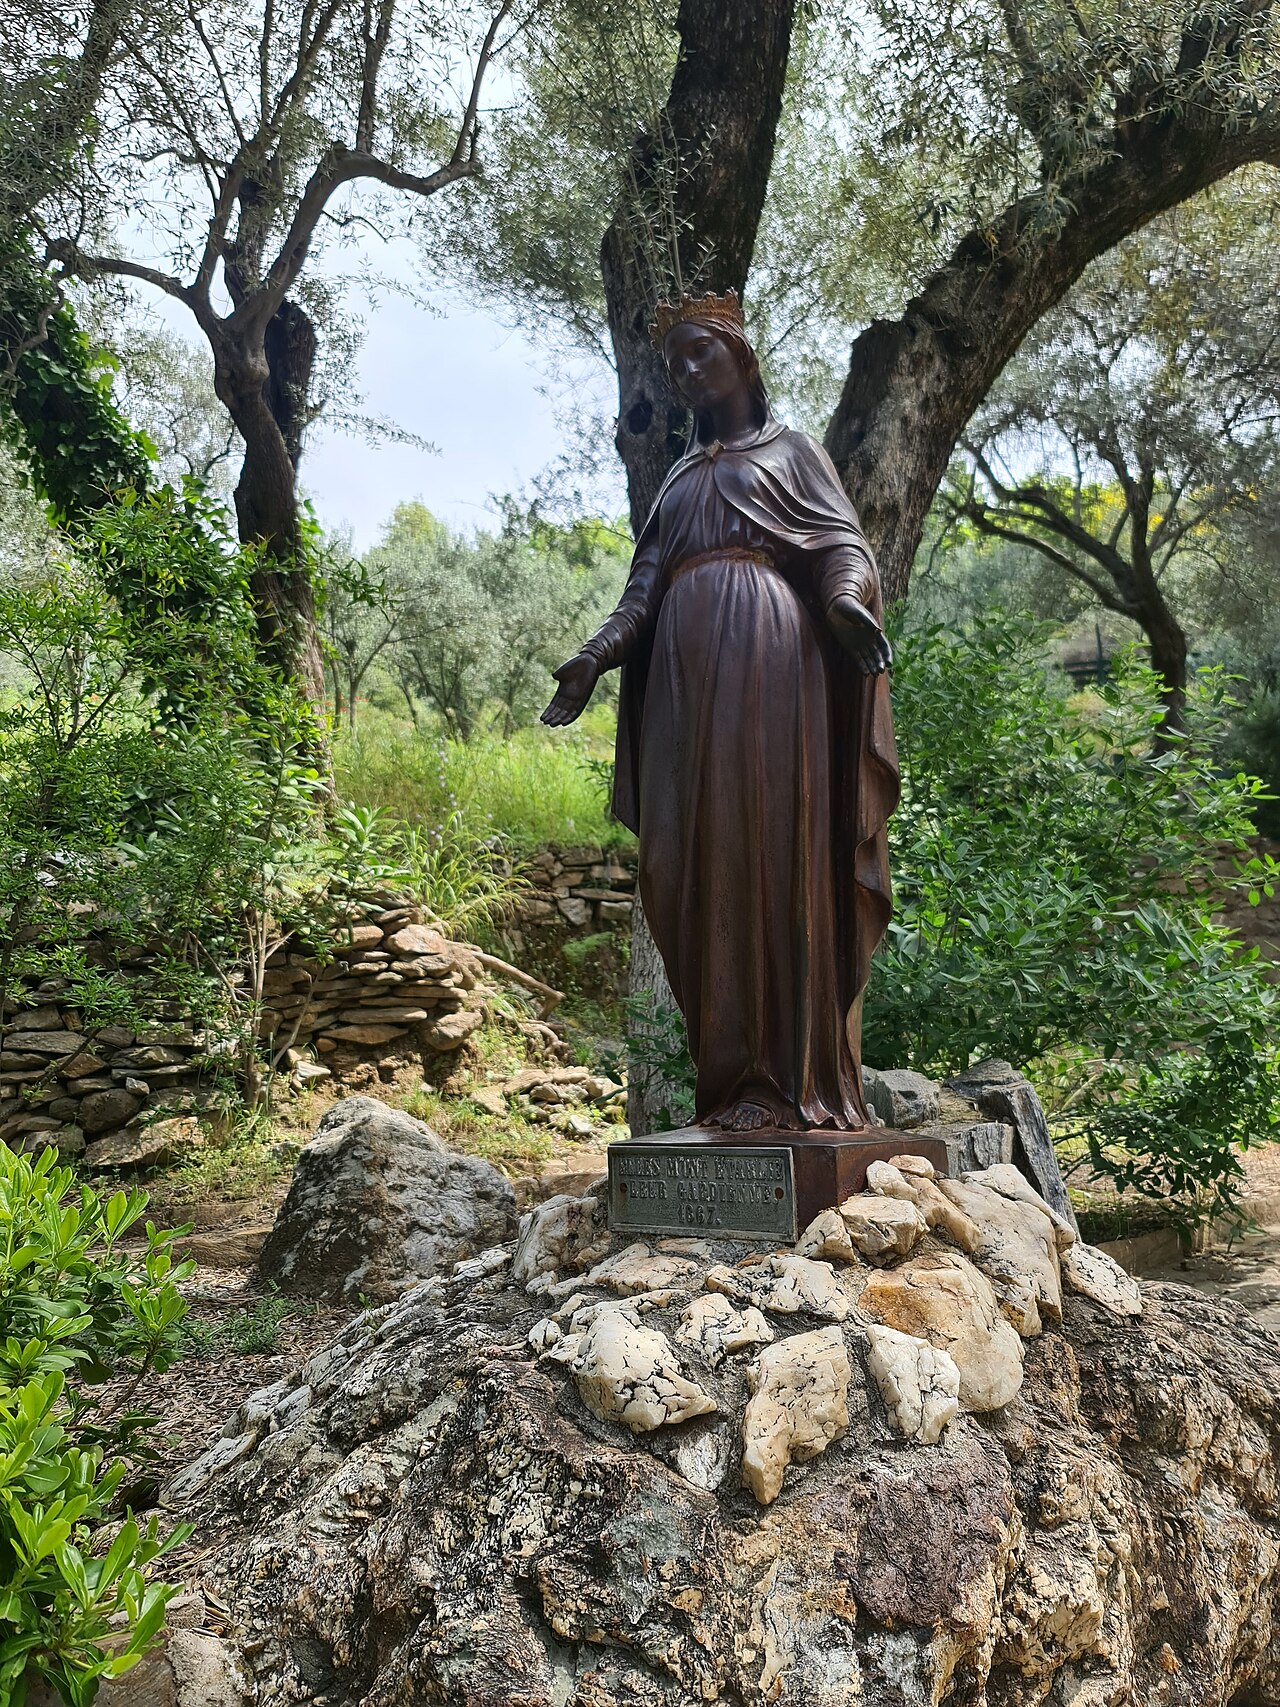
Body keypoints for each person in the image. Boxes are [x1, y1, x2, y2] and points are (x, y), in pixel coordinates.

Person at [541, 290, 898, 1133]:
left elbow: (843, 545)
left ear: (742, 357)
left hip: (775, 673)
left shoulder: (792, 452)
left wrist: (847, 600)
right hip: (684, 694)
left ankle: (791, 1086)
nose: (687, 374)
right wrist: (593, 658)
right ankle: (730, 1087)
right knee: (699, 870)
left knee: (778, 852)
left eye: (700, 353)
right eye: (674, 366)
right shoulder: (677, 479)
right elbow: (643, 591)